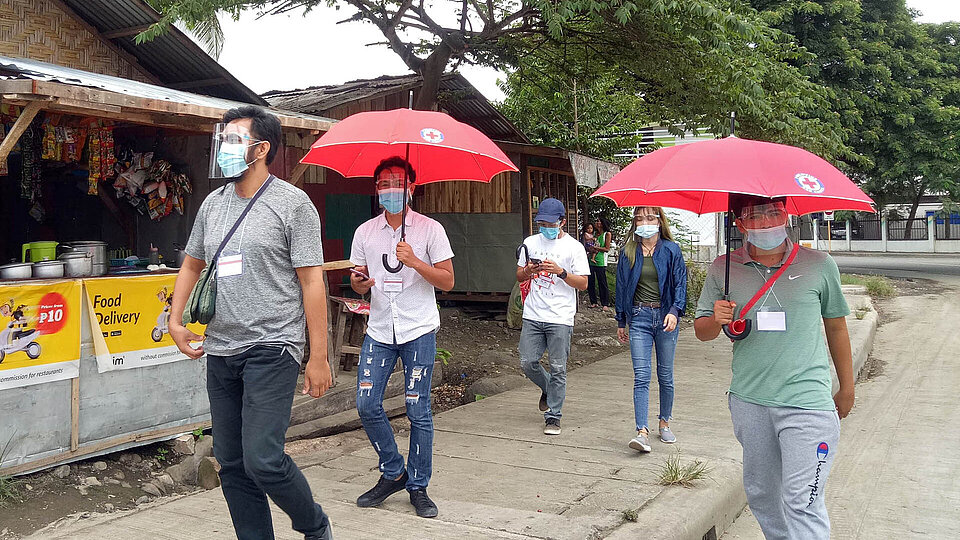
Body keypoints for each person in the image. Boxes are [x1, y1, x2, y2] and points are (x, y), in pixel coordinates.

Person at [170, 106, 333, 540]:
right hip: (221, 348)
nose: (224, 147)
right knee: (233, 463)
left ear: (261, 149)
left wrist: (318, 356)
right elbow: (191, 265)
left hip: (273, 346)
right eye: (222, 139)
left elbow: (312, 282)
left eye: (234, 140)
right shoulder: (213, 204)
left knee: (262, 458)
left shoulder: (293, 204)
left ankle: (315, 526)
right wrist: (175, 318)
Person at [694, 194, 854, 540]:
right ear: (739, 224)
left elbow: (837, 327)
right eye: (754, 215)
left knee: (802, 502)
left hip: (807, 402)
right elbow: (702, 330)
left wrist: (848, 386)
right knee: (763, 495)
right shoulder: (722, 268)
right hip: (750, 400)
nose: (766, 222)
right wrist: (716, 319)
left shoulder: (820, 264)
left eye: (773, 212)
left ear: (786, 215)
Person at [349, 156, 455, 519]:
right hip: (379, 328)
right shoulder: (365, 232)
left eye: (397, 182)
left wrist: (415, 262)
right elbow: (357, 277)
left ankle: (418, 485)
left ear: (412, 186)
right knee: (366, 404)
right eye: (383, 183)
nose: (390, 189)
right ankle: (393, 470)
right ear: (376, 190)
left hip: (418, 328)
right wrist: (359, 283)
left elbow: (447, 280)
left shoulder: (430, 230)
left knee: (417, 410)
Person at [614, 206, 687, 452]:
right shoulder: (629, 251)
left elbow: (680, 283)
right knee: (641, 376)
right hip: (639, 317)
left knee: (665, 375)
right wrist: (621, 320)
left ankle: (664, 423)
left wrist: (675, 311)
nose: (644, 222)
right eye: (639, 218)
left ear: (659, 221)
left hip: (666, 318)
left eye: (649, 217)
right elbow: (622, 286)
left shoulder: (671, 250)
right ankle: (641, 432)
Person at [516, 198, 590, 435]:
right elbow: (519, 275)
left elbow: (584, 283)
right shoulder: (530, 242)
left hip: (560, 316)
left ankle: (554, 416)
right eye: (542, 223)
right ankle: (548, 388)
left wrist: (560, 272)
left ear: (562, 223)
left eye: (550, 223)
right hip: (533, 313)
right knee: (527, 361)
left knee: (558, 366)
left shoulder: (574, 248)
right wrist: (529, 270)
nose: (546, 228)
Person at [587, 217, 612, 311]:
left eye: (598, 221)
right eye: (596, 221)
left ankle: (605, 303)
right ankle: (593, 302)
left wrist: (596, 248)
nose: (597, 223)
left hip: (601, 261)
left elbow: (607, 248)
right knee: (591, 281)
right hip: (591, 260)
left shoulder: (607, 234)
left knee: (602, 282)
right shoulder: (594, 234)